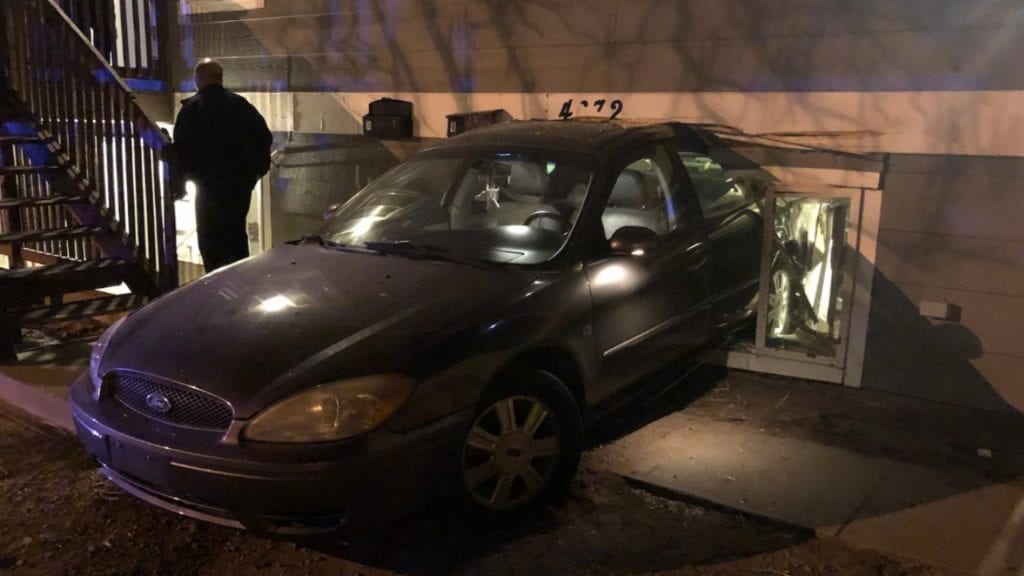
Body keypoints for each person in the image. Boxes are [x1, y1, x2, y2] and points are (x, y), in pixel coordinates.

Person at [172, 58, 272, 272]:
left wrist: (178, 185)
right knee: (236, 236)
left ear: (199, 79)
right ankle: (239, 284)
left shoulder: (192, 109)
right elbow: (263, 138)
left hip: (209, 188)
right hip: (238, 187)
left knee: (211, 241)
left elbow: (181, 150)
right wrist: (254, 174)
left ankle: (217, 287)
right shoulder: (241, 105)